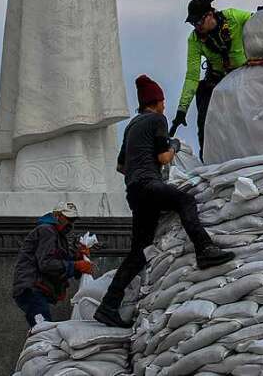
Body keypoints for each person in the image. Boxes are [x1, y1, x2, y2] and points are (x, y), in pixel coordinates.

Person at [94, 75, 235, 327]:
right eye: (162, 101)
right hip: (150, 184)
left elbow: (120, 166)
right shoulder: (157, 120)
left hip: (134, 191)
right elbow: (163, 158)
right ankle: (204, 249)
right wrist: (175, 146)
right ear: (156, 102)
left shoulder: (132, 125)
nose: (164, 106)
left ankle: (108, 305)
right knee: (185, 201)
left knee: (139, 251)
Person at [175, 0, 252, 158]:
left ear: (209, 15)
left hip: (245, 77)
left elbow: (259, 23)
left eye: (199, 22)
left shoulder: (233, 17)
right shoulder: (195, 39)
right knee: (204, 112)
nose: (197, 27)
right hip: (218, 80)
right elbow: (192, 76)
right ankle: (207, 157)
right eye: (193, 24)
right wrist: (182, 110)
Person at [11, 202, 93, 326]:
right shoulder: (47, 230)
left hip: (35, 289)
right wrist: (76, 265)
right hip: (31, 288)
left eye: (73, 220)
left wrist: (78, 257)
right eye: (68, 219)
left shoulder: (58, 235)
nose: (70, 224)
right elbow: (47, 264)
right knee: (43, 329)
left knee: (41, 328)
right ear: (56, 216)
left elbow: (61, 261)